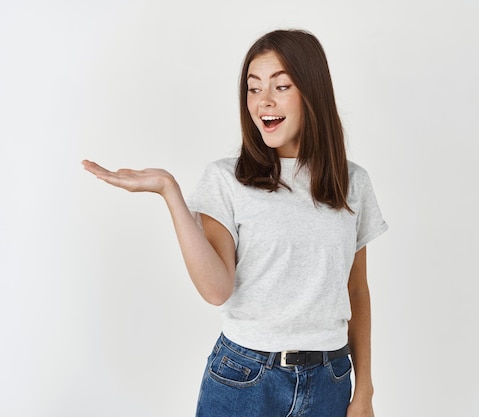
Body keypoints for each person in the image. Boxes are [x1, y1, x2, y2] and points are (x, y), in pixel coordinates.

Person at [82, 29, 387, 417]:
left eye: (281, 86)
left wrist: (365, 393)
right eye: (253, 88)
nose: (264, 102)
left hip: (331, 380)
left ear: (312, 92)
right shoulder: (227, 180)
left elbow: (357, 292)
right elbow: (216, 289)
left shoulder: (352, 182)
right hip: (246, 379)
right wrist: (169, 192)